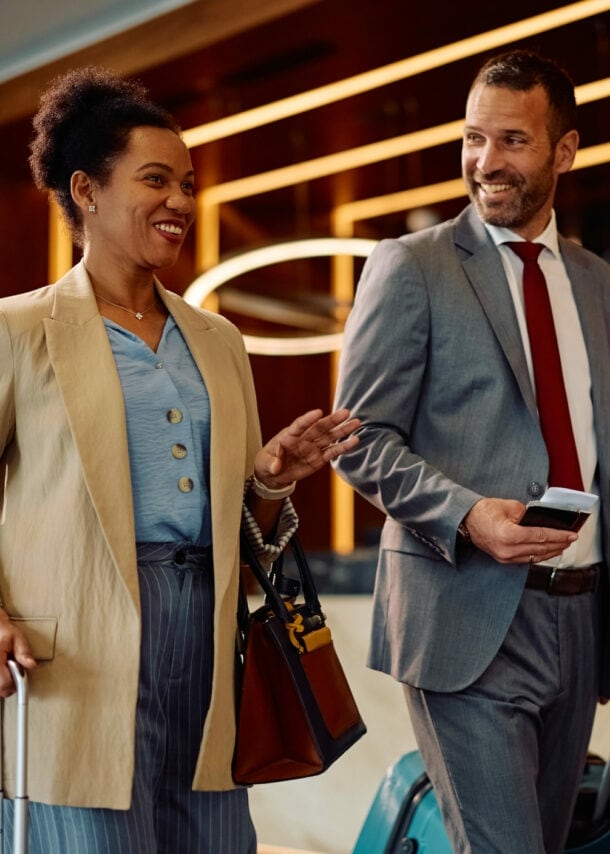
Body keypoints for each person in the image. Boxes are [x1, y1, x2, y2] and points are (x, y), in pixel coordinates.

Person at [0, 66, 360, 853]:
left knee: (216, 839)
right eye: (155, 180)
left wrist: (271, 478)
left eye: (188, 185)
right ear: (86, 190)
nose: (181, 202)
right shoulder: (18, 330)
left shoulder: (218, 340)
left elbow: (247, 527)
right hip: (77, 653)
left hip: (209, 631)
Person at [333, 49, 610, 854]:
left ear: (563, 151)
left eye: (513, 141)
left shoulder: (597, 283)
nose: (485, 163)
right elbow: (361, 441)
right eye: (472, 139)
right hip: (466, 609)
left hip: (580, 615)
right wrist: (467, 516)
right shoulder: (411, 268)